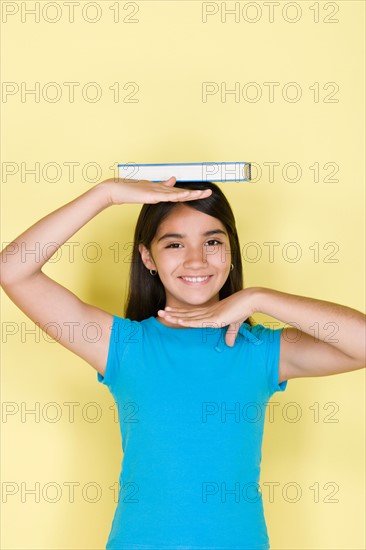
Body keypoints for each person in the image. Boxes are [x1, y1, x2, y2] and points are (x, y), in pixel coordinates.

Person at [1, 176, 365, 550]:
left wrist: (260, 297)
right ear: (147, 257)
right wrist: (105, 194)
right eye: (174, 244)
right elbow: (13, 271)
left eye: (212, 242)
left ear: (231, 252)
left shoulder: (259, 350)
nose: (196, 260)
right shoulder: (125, 346)